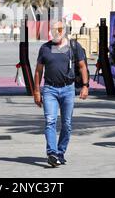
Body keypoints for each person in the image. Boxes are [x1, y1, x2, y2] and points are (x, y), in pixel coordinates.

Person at [33, 20, 89, 167]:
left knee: (67, 124)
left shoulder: (73, 46)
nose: (56, 31)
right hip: (50, 89)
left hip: (68, 89)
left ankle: (60, 152)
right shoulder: (45, 48)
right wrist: (36, 91)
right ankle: (52, 153)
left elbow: (82, 67)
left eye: (59, 29)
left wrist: (85, 86)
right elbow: (39, 71)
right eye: (53, 29)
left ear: (64, 30)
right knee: (50, 121)